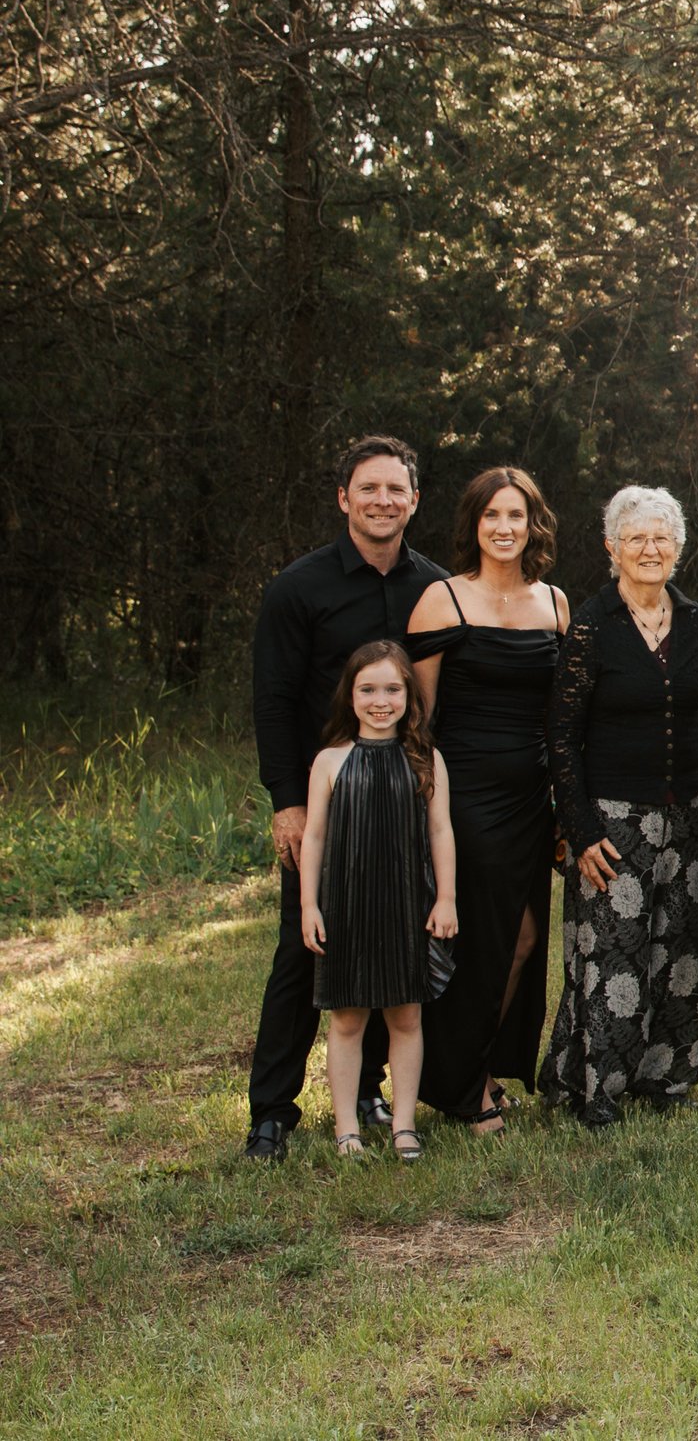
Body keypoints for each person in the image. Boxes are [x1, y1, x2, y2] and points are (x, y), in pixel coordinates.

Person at [243, 435, 447, 1161]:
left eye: (396, 490)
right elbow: (271, 701)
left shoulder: (434, 588)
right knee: (305, 954)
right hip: (326, 804)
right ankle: (271, 1111)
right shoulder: (298, 588)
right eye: (369, 489)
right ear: (344, 498)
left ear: (414, 500)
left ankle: (367, 1095)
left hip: (402, 806)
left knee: (393, 955)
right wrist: (287, 802)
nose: (383, 501)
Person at [541, 486, 698, 1125]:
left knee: (678, 950)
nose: (649, 549)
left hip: (689, 817)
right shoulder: (593, 623)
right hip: (612, 819)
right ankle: (597, 1088)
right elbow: (562, 733)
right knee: (613, 955)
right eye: (635, 538)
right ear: (612, 548)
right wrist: (580, 826)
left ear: (677, 548)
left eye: (661, 538)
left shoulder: (696, 620)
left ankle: (667, 1079)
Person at [405, 468, 568, 1133]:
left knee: (525, 939)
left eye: (517, 515)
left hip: (535, 794)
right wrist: (425, 805)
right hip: (463, 795)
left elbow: (565, 714)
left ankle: (473, 1070)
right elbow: (418, 720)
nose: (505, 527)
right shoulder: (442, 600)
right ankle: (459, 1084)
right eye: (492, 516)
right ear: (473, 524)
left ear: (534, 524)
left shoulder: (555, 603)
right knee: (481, 940)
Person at [297, 641, 459, 1162]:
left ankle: (404, 1125)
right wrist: (309, 906)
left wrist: (447, 899)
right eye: (368, 689)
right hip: (346, 903)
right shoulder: (329, 762)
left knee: (406, 1018)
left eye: (392, 689)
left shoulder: (426, 759)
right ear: (350, 696)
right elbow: (315, 839)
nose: (380, 700)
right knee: (346, 1020)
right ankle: (348, 1129)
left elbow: (441, 832)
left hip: (408, 903)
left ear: (410, 696)